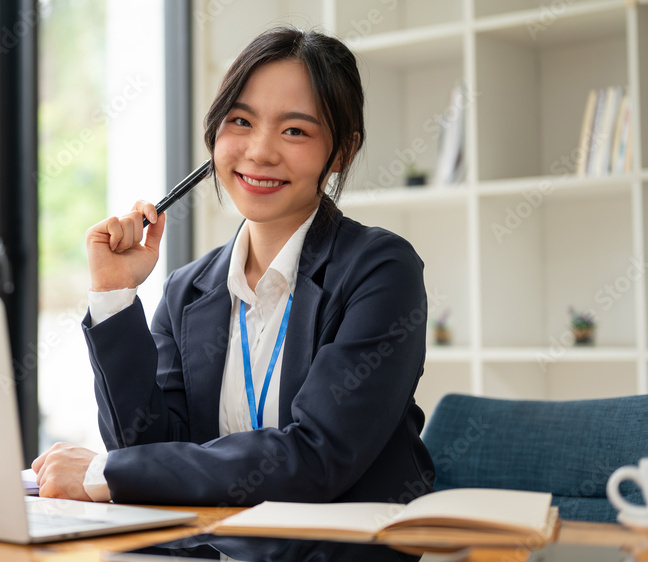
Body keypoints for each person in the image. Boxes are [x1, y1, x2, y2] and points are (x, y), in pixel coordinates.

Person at [32, 27, 435, 507]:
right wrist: (115, 296)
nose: (260, 151)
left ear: (342, 152)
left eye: (295, 130)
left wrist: (102, 474)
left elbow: (317, 460)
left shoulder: (381, 271)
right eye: (240, 121)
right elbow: (144, 451)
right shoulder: (188, 291)